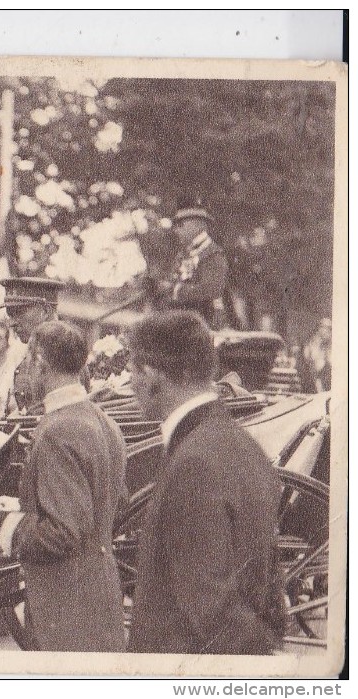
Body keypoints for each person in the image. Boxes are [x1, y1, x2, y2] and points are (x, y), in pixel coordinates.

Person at [126, 311, 284, 654]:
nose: (130, 384)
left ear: (151, 375)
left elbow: (214, 612)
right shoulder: (245, 446)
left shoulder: (193, 462)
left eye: (132, 371)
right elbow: (273, 601)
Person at [0, 321, 127, 652]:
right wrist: (24, 508)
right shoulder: (104, 422)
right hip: (101, 600)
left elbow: (62, 533)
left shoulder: (58, 430)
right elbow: (109, 506)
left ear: (40, 361)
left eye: (24, 363)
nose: (21, 373)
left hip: (65, 610)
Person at [149, 199, 229, 328]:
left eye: (181, 225)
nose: (176, 230)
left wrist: (172, 289)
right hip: (184, 323)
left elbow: (210, 290)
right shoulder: (184, 254)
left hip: (206, 325)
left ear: (197, 225)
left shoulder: (213, 254)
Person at [0, 276, 63, 416]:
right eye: (10, 315)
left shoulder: (64, 355)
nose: (11, 323)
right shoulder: (39, 352)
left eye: (18, 313)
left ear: (44, 311)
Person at [301, 317, 332, 393]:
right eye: (326, 328)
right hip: (311, 388)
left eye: (329, 329)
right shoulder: (311, 345)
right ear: (319, 329)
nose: (328, 332)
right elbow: (315, 368)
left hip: (324, 388)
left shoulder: (327, 346)